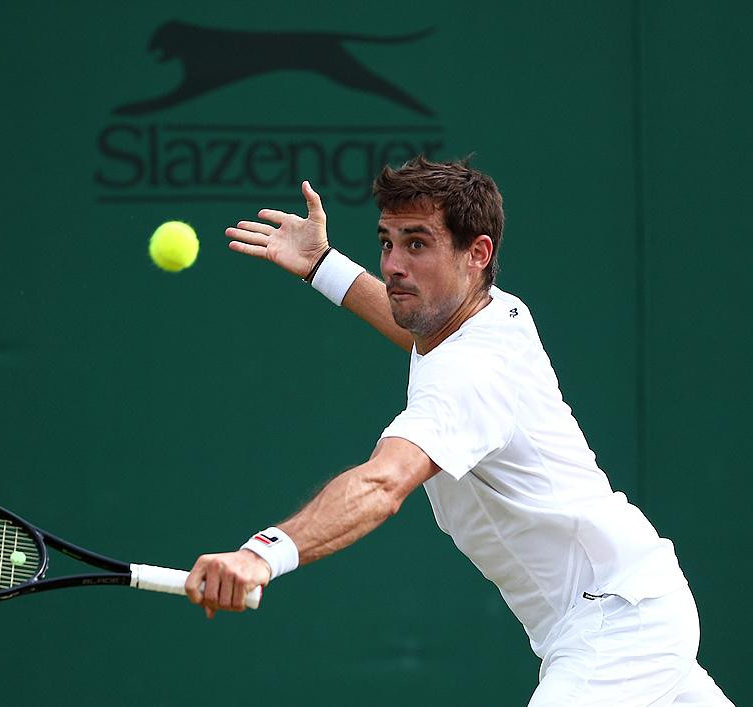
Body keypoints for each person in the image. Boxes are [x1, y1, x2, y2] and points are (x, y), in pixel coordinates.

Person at [183, 156, 732, 706]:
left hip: (617, 623)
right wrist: (322, 265)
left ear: (478, 254)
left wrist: (262, 555)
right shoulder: (485, 316)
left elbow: (382, 483)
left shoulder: (471, 372)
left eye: (417, 244)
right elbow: (414, 331)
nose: (394, 264)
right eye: (387, 242)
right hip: (631, 604)